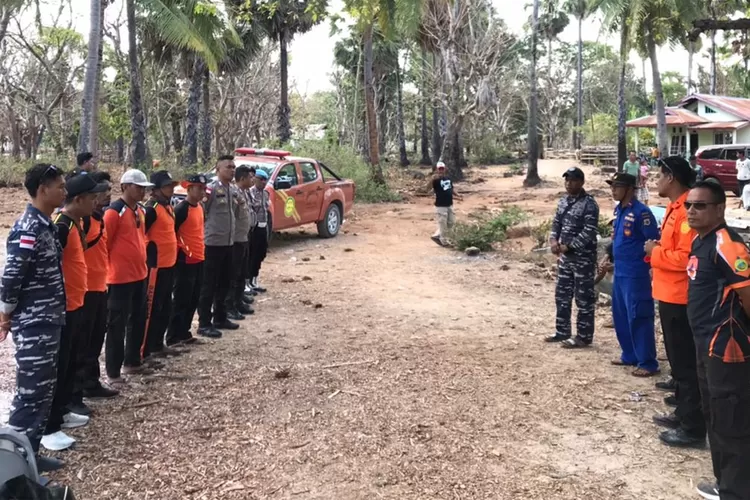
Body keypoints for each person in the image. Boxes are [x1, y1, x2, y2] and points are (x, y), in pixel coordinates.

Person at [685, 180, 750, 500]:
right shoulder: (701, 241)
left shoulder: (728, 244)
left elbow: (747, 293)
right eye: (688, 205)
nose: (692, 211)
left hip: (726, 347)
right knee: (713, 411)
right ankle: (724, 481)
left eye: (700, 206)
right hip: (704, 343)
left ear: (720, 209)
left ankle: (736, 490)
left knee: (731, 418)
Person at [1, 164, 66, 471]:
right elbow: (11, 277)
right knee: (29, 396)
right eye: (60, 187)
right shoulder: (28, 228)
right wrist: (5, 315)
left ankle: (30, 456)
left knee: (42, 393)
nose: (64, 192)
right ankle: (12, 465)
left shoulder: (45, 224)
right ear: (43, 189)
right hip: (33, 324)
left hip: (48, 320)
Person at [41, 172, 107, 452]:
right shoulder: (61, 226)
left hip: (78, 303)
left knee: (71, 362)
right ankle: (49, 426)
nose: (96, 203)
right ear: (77, 199)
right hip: (63, 307)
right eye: (92, 198)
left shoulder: (77, 222)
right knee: (59, 364)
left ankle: (64, 410)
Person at [643, 156, 705, 449]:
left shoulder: (686, 213)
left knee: (685, 364)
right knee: (678, 363)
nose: (656, 180)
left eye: (660, 174)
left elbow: (684, 259)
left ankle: (692, 428)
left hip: (680, 297)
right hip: (668, 294)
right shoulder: (674, 208)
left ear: (672, 178)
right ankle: (683, 413)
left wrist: (655, 253)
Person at [607, 172, 661, 377]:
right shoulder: (620, 210)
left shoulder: (642, 213)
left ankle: (647, 362)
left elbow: (652, 242)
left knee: (639, 315)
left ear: (630, 189)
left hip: (636, 273)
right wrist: (610, 257)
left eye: (617, 186)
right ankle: (629, 354)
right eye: (612, 185)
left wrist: (649, 267)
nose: (613, 189)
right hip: (620, 271)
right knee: (621, 315)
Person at [104, 169, 153, 387]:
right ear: (125, 186)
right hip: (119, 279)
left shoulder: (139, 211)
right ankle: (113, 371)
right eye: (138, 186)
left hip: (139, 275)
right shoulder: (114, 212)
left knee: (138, 319)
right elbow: (105, 244)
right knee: (117, 325)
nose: (142, 191)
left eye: (144, 187)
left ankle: (132, 360)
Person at [545, 167, 600, 348]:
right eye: (567, 180)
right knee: (562, 295)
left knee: (583, 298)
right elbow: (557, 223)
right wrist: (554, 240)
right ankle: (562, 331)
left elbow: (589, 232)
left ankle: (583, 336)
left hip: (582, 259)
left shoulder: (589, 204)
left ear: (582, 182)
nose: (569, 183)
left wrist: (569, 246)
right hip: (565, 258)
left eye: (573, 180)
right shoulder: (563, 201)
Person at [77, 171, 119, 401]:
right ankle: (79, 389)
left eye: (107, 193)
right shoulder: (80, 221)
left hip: (100, 286)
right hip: (84, 290)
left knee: (95, 340)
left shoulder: (99, 219)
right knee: (82, 342)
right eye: (100, 194)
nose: (104, 198)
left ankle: (92, 383)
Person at [168, 174, 213, 342]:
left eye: (203, 188)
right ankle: (173, 335)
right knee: (181, 298)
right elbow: (173, 233)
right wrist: (183, 252)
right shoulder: (181, 209)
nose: (202, 192)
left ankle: (184, 332)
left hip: (199, 258)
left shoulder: (199, 208)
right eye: (199, 188)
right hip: (185, 261)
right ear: (189, 188)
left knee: (194, 297)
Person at [142, 170, 181, 360]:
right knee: (153, 307)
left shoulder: (168, 207)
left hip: (169, 263)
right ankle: (146, 348)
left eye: (172, 186)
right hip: (155, 266)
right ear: (155, 190)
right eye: (167, 186)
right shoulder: (151, 209)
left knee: (165, 306)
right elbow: (142, 235)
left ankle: (158, 343)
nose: (171, 189)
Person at [199, 155, 239, 334]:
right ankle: (204, 323)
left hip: (228, 242)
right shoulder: (211, 188)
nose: (232, 170)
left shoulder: (232, 188)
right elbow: (202, 211)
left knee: (225, 282)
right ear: (218, 169)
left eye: (233, 167)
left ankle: (220, 317)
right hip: (213, 243)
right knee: (209, 284)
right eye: (228, 167)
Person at [227, 166, 255, 319]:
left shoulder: (244, 193)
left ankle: (238, 301)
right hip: (236, 239)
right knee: (234, 274)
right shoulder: (234, 193)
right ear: (243, 179)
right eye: (250, 177)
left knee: (242, 272)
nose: (252, 180)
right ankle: (230, 305)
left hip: (244, 237)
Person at [248, 169, 271, 293]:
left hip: (264, 226)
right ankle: (248, 282)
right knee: (252, 254)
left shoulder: (266, 194)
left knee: (261, 254)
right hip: (254, 228)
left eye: (265, 179)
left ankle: (254, 280)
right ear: (255, 179)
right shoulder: (250, 193)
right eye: (261, 179)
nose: (264, 182)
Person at [430, 161, 460, 247]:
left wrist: (458, 195)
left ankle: (437, 235)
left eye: (442, 169)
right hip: (440, 205)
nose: (441, 171)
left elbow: (451, 189)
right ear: (437, 170)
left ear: (445, 169)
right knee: (442, 223)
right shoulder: (435, 180)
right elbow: (430, 188)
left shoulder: (448, 179)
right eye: (439, 169)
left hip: (449, 204)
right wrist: (433, 179)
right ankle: (444, 241)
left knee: (451, 222)